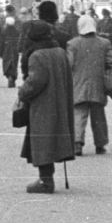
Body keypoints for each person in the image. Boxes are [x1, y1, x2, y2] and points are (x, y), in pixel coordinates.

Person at [17, 19, 75, 193]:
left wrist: (22, 93)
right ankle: (46, 179)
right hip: (60, 101)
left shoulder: (37, 55)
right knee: (53, 139)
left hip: (43, 104)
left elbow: (35, 81)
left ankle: (46, 181)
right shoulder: (60, 51)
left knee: (42, 139)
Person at [68, 15, 112, 157]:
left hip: (78, 84)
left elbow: (69, 64)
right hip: (98, 84)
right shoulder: (104, 43)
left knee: (79, 114)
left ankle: (77, 143)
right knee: (98, 115)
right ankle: (100, 144)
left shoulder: (72, 44)